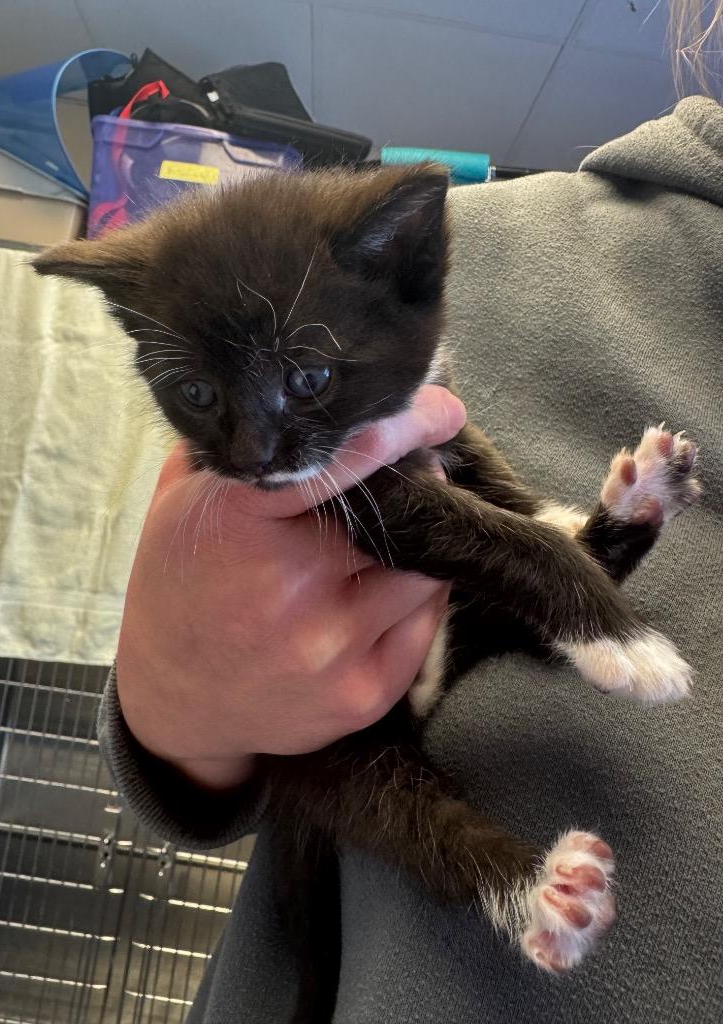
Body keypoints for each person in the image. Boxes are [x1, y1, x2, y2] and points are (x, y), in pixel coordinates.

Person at [100, 12, 723, 1023]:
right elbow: (215, 727)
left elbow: (484, 521)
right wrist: (170, 708)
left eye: (306, 380)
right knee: (370, 786)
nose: (253, 453)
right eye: (205, 400)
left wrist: (581, 588)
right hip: (343, 806)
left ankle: (608, 555)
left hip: (477, 660)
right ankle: (512, 879)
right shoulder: (512, 250)